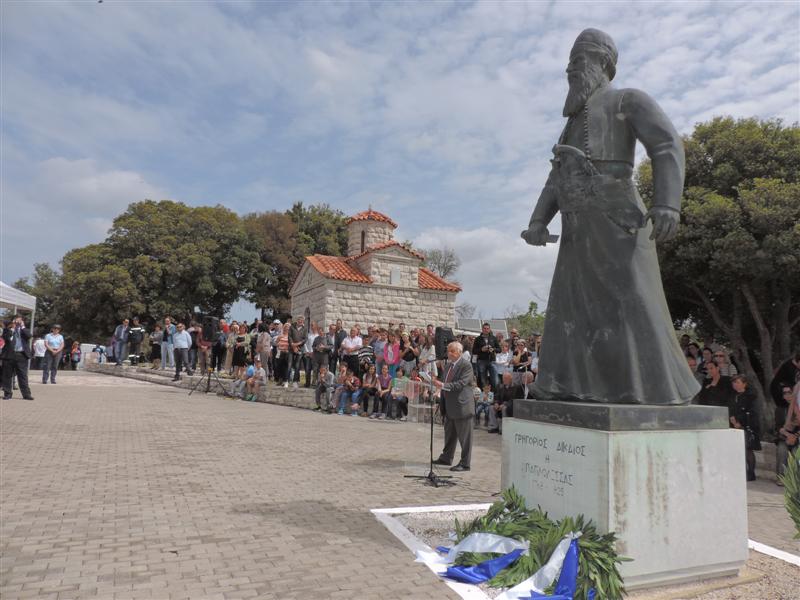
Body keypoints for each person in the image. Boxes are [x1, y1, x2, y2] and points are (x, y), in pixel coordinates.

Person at [521, 28, 699, 405]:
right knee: (572, 313)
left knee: (633, 304)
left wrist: (668, 203)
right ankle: (571, 389)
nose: (570, 69)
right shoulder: (570, 123)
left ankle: (654, 392)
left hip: (618, 221)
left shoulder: (626, 100)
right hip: (577, 228)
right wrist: (539, 221)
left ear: (604, 62)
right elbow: (557, 177)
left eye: (577, 60)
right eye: (569, 62)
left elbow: (667, 143)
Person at [432, 341, 475, 471]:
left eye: (452, 351)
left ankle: (465, 463)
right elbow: (445, 382)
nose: (449, 353)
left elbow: (461, 384)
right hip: (449, 406)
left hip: (462, 407)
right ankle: (446, 458)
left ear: (459, 352)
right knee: (449, 434)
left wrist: (443, 385)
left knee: (465, 438)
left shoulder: (466, 366)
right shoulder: (448, 366)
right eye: (448, 351)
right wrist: (438, 389)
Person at [729, 375, 760, 481]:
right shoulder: (733, 395)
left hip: (747, 425)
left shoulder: (750, 396)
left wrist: (739, 422)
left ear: (744, 384)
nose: (735, 385)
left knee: (747, 449)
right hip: (733, 425)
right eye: (734, 383)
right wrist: (732, 419)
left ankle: (751, 473)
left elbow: (752, 413)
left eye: (738, 382)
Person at [2, 315, 33, 400]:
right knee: (7, 376)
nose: (17, 322)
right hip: (9, 355)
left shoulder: (24, 330)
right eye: (15, 320)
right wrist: (12, 327)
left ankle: (26, 395)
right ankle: (7, 394)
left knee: (23, 376)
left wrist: (22, 326)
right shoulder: (7, 330)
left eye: (19, 320)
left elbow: (29, 336)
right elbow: (6, 338)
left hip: (21, 355)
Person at [776, 384, 800, 483]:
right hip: (784, 437)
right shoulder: (780, 409)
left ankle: (795, 480)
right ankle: (781, 478)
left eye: (789, 392)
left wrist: (795, 436)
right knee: (782, 450)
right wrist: (788, 435)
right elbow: (777, 427)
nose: (787, 395)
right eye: (784, 393)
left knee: (796, 453)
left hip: (797, 438)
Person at [472, 323, 499, 392]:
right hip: (482, 361)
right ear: (482, 329)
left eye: (487, 328)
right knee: (483, 380)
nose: (486, 330)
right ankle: (484, 398)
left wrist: (493, 349)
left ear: (489, 329)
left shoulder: (493, 338)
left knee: (495, 380)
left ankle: (495, 397)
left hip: (492, 361)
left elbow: (499, 349)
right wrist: (481, 349)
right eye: (484, 328)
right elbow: (474, 351)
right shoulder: (478, 339)